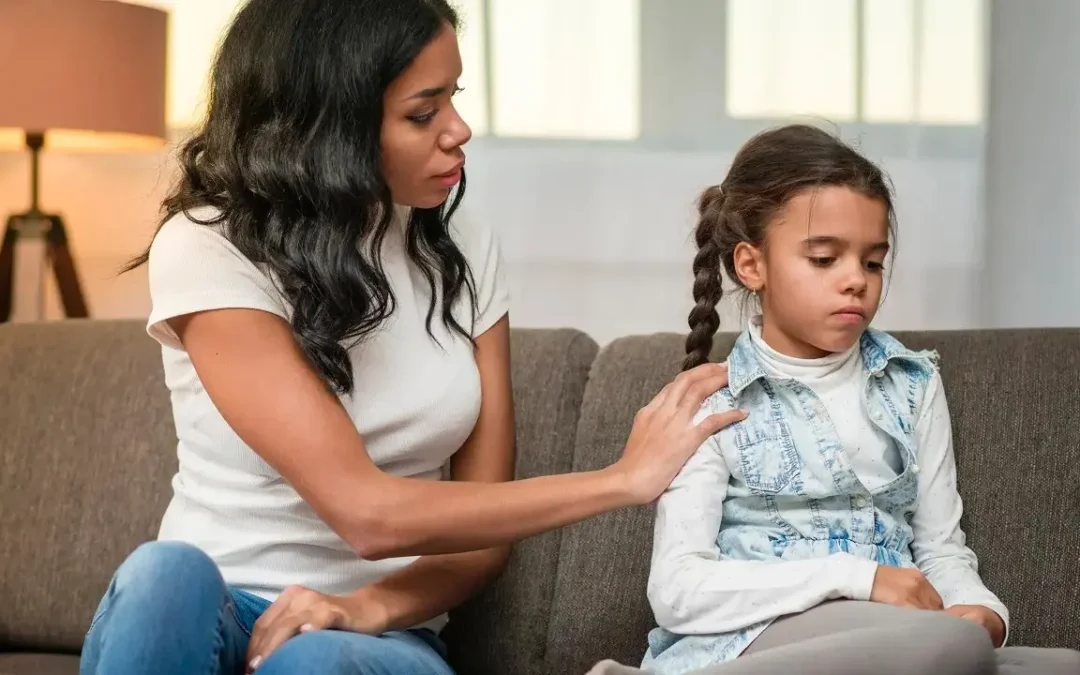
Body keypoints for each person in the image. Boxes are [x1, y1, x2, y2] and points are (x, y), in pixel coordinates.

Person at [76, 2, 746, 674]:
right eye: (423, 113)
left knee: (315, 662)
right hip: (215, 618)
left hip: (377, 638)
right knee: (163, 576)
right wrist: (621, 480)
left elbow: (479, 543)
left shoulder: (462, 239)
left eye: (452, 98)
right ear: (327, 125)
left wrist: (364, 607)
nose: (459, 130)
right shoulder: (208, 244)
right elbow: (365, 512)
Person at [588, 125, 1080, 675]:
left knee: (1056, 665)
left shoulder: (912, 384)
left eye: (872, 262)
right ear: (753, 265)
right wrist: (859, 578)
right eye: (825, 259)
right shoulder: (710, 401)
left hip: (903, 640)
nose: (856, 281)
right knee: (946, 648)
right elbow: (678, 590)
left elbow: (941, 548)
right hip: (756, 642)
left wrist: (985, 615)